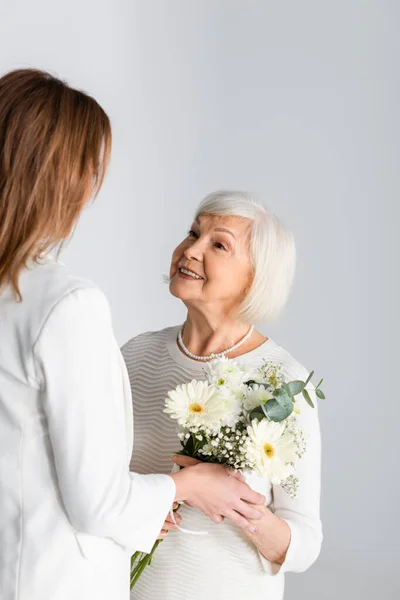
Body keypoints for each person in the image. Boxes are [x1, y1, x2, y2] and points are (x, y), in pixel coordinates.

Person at [0, 71, 265, 600]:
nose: (192, 250)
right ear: (65, 178)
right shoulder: (67, 305)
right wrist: (189, 486)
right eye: (90, 172)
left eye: (220, 244)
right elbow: (98, 504)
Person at [122, 190, 322, 600]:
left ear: (256, 277)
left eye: (219, 244)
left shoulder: (283, 383)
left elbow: (305, 541)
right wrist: (138, 506)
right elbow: (96, 483)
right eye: (193, 233)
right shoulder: (134, 355)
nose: (191, 250)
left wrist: (246, 513)